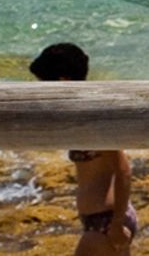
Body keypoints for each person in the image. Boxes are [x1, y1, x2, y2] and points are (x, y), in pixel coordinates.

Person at [29, 43, 136, 253]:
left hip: (108, 220)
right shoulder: (76, 118)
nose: (40, 90)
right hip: (97, 220)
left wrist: (116, 224)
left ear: (63, 81)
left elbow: (123, 170)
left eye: (43, 84)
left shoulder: (94, 119)